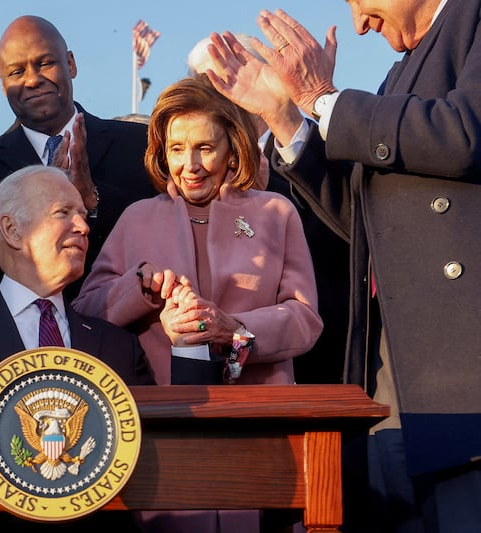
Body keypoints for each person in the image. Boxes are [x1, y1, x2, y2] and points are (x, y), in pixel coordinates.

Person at [205, 4, 481, 532]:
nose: (359, 24)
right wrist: (287, 117)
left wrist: (323, 99)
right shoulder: (400, 70)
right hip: (392, 379)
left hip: (464, 379)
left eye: (360, 1)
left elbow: (466, 133)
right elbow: (369, 219)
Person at [72, 75, 323, 533]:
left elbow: (305, 318)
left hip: (262, 430)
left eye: (205, 147)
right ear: (161, 153)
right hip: (165, 434)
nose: (190, 165)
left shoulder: (275, 213)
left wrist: (233, 328)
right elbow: (86, 311)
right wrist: (140, 289)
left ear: (233, 148)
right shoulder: (136, 218)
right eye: (176, 148)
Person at [0, 164, 153, 531]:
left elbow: (161, 449)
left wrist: (190, 345)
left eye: (84, 217)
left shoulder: (117, 345)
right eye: (63, 213)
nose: (84, 227)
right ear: (12, 230)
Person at [0, 15, 156, 302]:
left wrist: (92, 200)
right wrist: (35, 214)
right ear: (3, 84)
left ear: (71, 64)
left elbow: (161, 233)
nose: (32, 80)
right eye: (16, 72)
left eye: (45, 64)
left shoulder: (138, 143)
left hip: (122, 333)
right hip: (18, 343)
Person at [188, 35, 350, 386]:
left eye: (235, 72)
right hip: (203, 388)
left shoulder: (324, 153)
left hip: (320, 372)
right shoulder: (182, 176)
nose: (222, 91)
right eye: (207, 82)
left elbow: (343, 229)